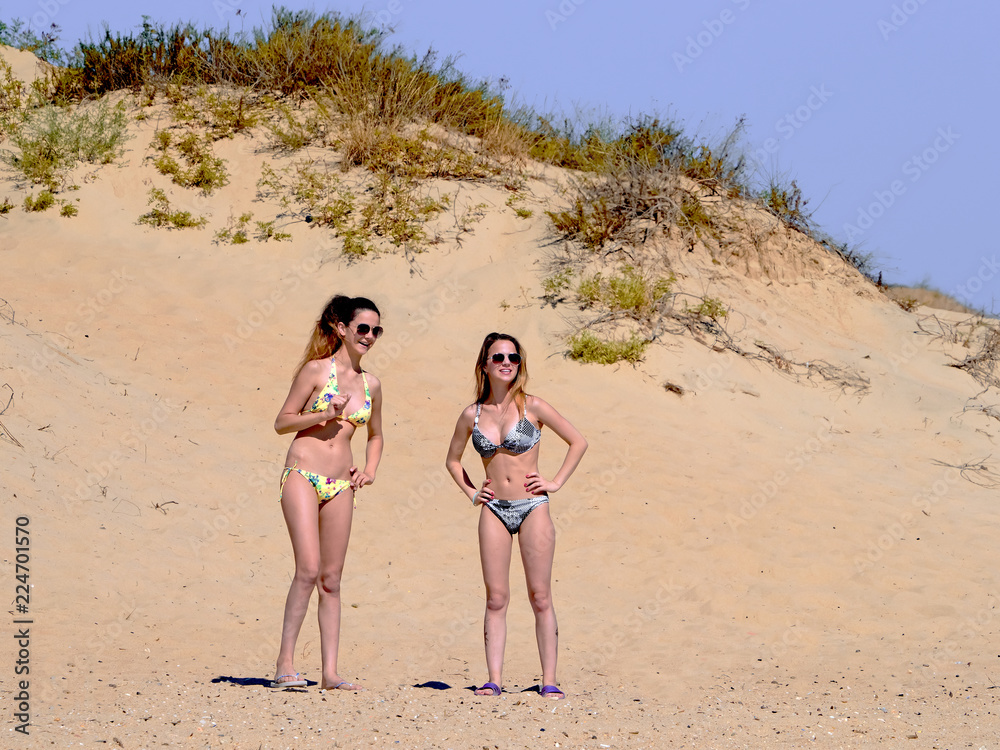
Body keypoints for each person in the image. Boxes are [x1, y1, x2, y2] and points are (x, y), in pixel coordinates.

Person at [445, 332, 587, 699]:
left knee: (540, 595)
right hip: (493, 508)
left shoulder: (534, 407)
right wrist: (471, 491)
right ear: (485, 365)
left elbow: (578, 441)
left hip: (532, 506)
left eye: (513, 357)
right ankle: (493, 679)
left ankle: (549, 679)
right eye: (498, 357)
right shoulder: (471, 414)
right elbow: (453, 459)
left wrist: (554, 482)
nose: (507, 362)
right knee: (496, 597)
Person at [270, 295, 384, 691]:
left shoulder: (372, 384)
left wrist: (369, 470)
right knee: (308, 568)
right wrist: (324, 414)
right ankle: (285, 664)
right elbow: (282, 422)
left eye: (376, 330)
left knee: (332, 579)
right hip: (303, 472)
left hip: (340, 484)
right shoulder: (316, 371)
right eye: (363, 328)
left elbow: (377, 435)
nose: (370, 336)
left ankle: (330, 673)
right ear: (342, 329)